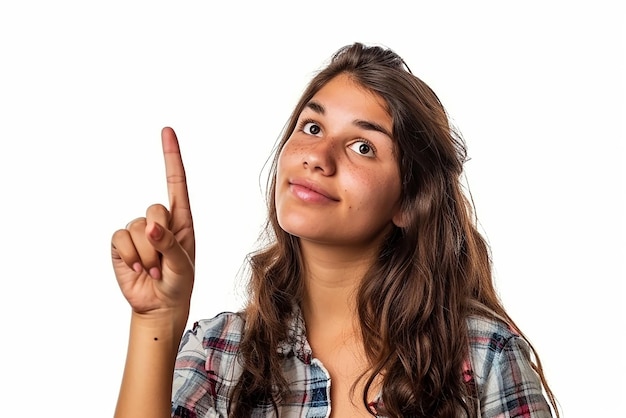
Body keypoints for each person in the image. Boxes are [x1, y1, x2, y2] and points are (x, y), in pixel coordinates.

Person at [112, 42, 560, 417]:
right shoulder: (217, 356)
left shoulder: (484, 358)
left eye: (363, 146)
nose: (317, 156)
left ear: (408, 201)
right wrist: (156, 320)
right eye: (312, 126)